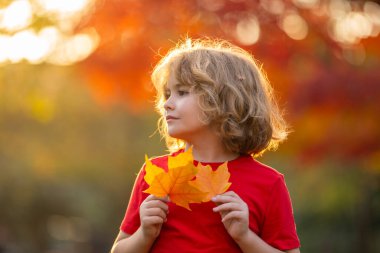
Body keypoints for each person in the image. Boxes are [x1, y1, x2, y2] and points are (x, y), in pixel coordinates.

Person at [111, 38, 301, 253]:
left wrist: (245, 237)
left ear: (223, 101)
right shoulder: (156, 174)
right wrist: (144, 234)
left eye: (182, 92)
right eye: (167, 94)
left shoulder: (268, 184)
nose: (167, 103)